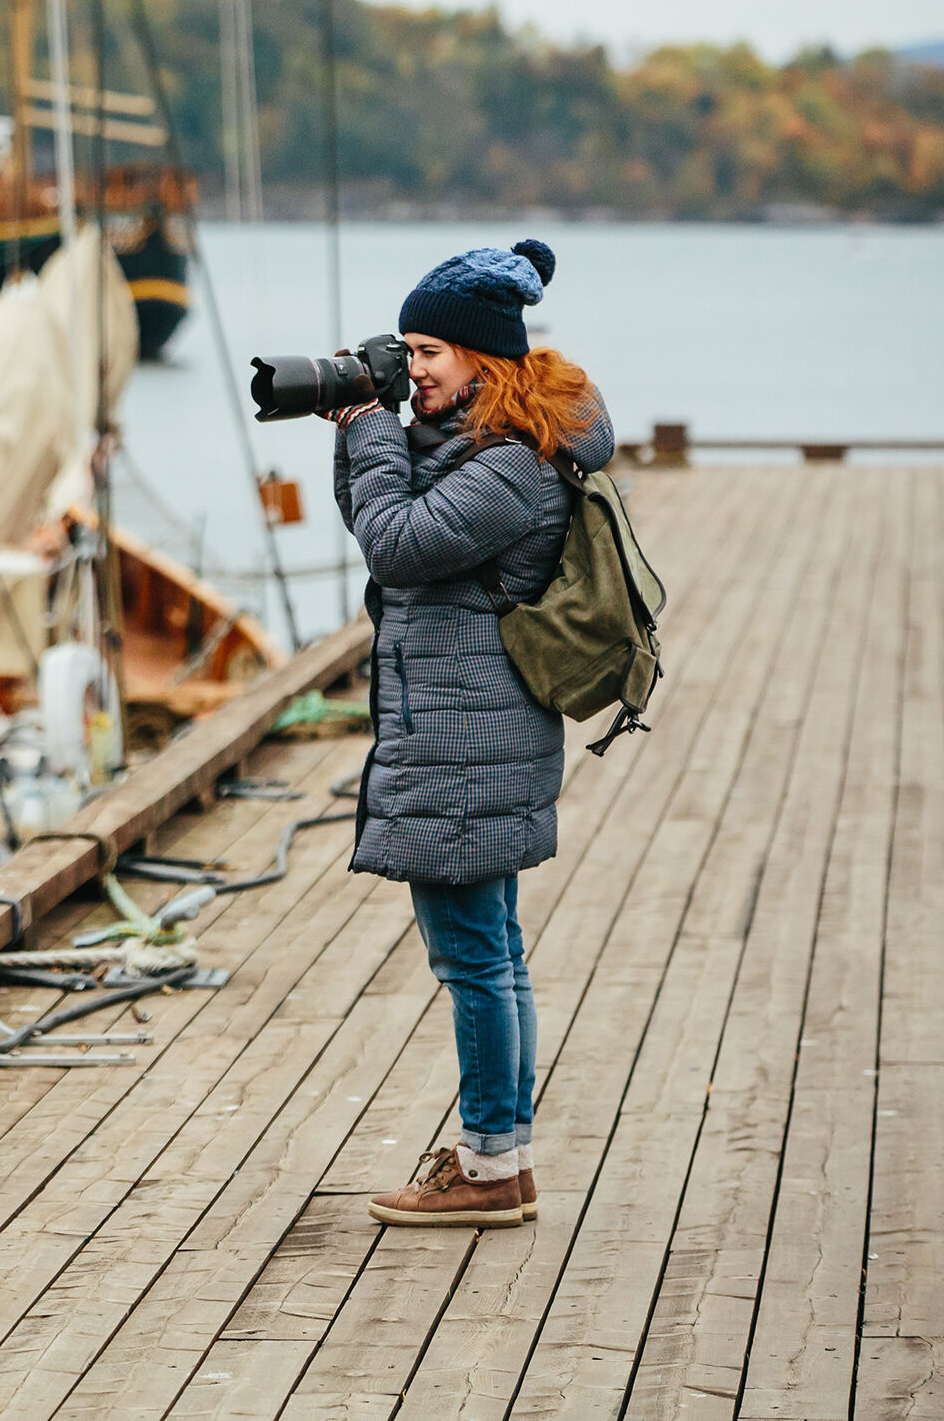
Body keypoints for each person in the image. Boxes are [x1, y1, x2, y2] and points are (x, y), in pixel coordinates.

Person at [323, 237, 612, 1229]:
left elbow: (397, 545)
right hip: (465, 728)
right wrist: (359, 428)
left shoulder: (511, 468)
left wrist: (373, 428)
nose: (412, 371)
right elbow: (381, 518)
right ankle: (504, 1158)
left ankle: (487, 1166)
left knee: (474, 959)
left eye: (427, 352)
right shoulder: (484, 444)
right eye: (406, 352)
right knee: (493, 950)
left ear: (482, 358)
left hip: (462, 737)